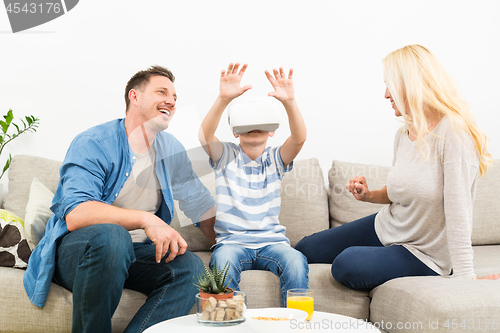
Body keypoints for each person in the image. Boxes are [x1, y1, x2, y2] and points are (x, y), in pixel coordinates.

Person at [23, 65, 217, 333]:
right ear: (134, 97)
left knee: (190, 266)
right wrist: (146, 219)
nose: (171, 101)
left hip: (134, 255)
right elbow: (77, 213)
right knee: (114, 237)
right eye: (162, 91)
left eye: (174, 97)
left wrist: (240, 240)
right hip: (80, 252)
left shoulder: (171, 148)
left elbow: (200, 207)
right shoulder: (94, 142)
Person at [295, 44, 499, 291]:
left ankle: (432, 270)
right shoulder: (404, 134)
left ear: (410, 84)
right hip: (388, 227)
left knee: (347, 264)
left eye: (389, 85)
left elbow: (459, 209)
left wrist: (466, 275)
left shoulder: (454, 133)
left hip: (424, 253)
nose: (385, 94)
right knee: (306, 248)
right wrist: (368, 195)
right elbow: (401, 193)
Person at [198, 63, 308, 307]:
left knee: (296, 260)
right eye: (247, 124)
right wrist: (223, 98)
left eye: (260, 124)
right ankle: (233, 322)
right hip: (232, 242)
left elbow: (299, 139)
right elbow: (205, 135)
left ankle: (297, 324)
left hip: (273, 243)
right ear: (236, 132)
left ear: (271, 131)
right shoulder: (225, 156)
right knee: (223, 263)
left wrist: (289, 102)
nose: (254, 128)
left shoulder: (275, 160)